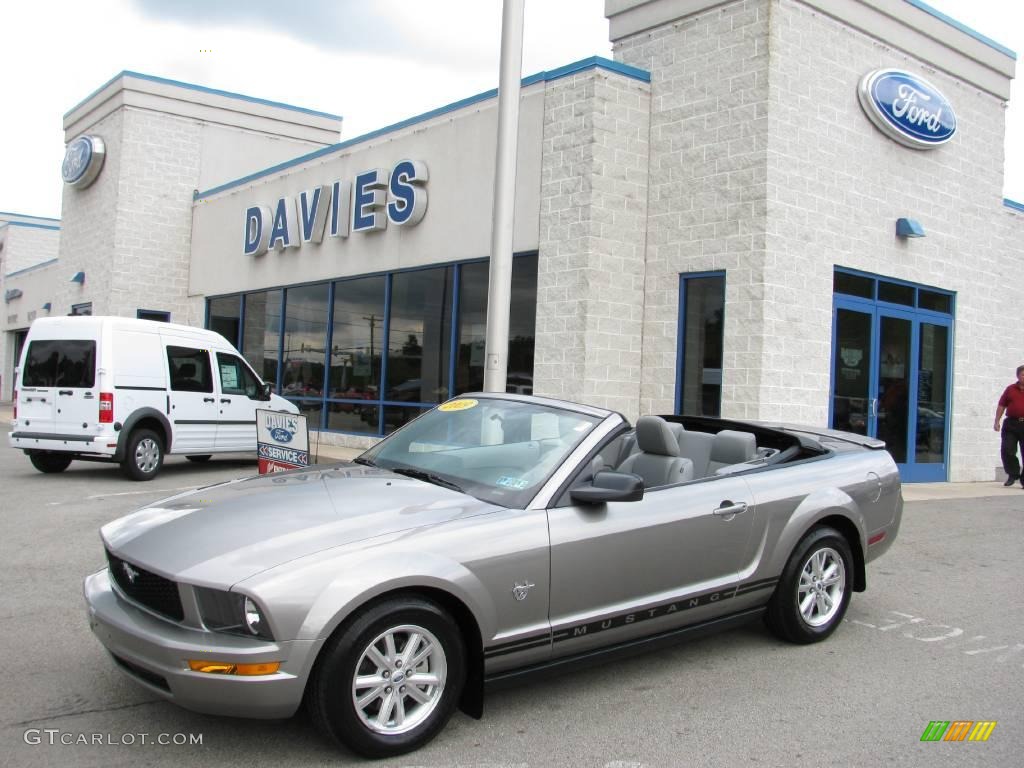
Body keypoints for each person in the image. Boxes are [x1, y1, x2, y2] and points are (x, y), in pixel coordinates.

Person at [994, 365, 1024, 487]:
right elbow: (1001, 405)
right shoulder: (1010, 389)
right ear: (1018, 376)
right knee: (1007, 450)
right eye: (1023, 375)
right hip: (1011, 424)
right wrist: (997, 421)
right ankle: (1013, 474)